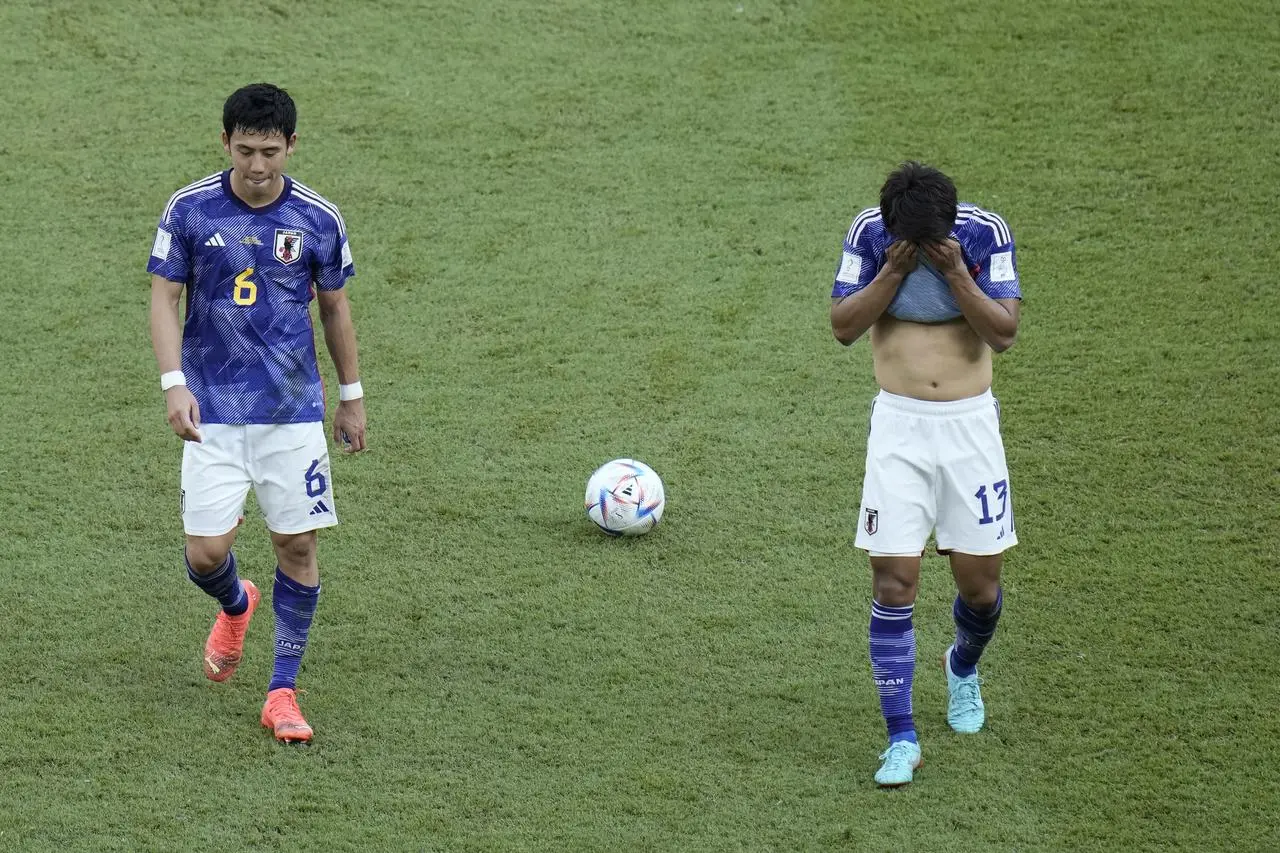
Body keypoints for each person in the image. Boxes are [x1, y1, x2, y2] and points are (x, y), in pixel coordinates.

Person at [148, 83, 367, 743]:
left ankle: (281, 691)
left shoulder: (318, 219)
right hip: (211, 409)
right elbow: (163, 299)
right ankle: (235, 604)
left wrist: (351, 395)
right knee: (205, 552)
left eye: (270, 151)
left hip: (292, 413)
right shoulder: (189, 209)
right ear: (225, 143)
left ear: (291, 145)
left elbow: (333, 307)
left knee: (297, 544)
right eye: (245, 150)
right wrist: (172, 383)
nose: (258, 165)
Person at [829, 161, 1021, 786]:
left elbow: (1005, 332)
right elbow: (844, 327)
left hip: (969, 431)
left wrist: (955, 271)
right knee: (893, 583)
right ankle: (901, 737)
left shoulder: (984, 233)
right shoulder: (868, 233)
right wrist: (892, 271)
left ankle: (961, 667)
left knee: (979, 588)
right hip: (899, 430)